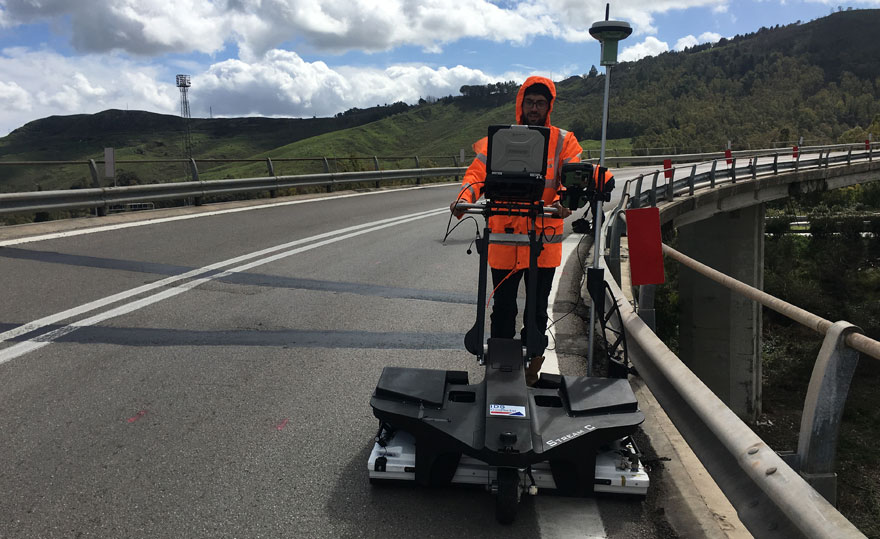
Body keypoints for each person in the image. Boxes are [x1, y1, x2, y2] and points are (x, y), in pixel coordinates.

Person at [450, 75, 582, 385]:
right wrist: (464, 198)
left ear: (548, 107)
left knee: (536, 312)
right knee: (503, 310)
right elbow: (477, 173)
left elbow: (572, 174)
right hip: (504, 238)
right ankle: (500, 370)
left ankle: (532, 368)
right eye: (530, 102)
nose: (534, 108)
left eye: (540, 103)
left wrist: (565, 200)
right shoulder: (501, 139)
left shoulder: (563, 140)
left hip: (542, 241)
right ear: (520, 104)